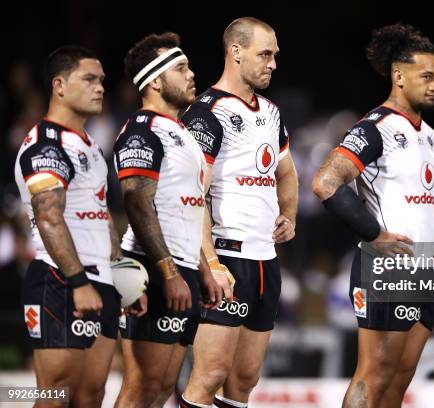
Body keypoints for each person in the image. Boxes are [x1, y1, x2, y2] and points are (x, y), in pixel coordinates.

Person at [312, 23, 434, 408]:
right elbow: (325, 182)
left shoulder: (429, 135)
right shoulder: (376, 127)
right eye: (427, 77)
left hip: (426, 270)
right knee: (375, 372)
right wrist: (376, 235)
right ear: (398, 77)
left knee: (401, 378)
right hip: (388, 266)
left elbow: (429, 200)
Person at [179, 17, 298, 408]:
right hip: (227, 258)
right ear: (235, 52)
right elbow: (192, 195)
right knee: (209, 376)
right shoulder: (205, 113)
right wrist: (209, 262)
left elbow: (287, 172)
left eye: (275, 55)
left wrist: (290, 216)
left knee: (245, 380)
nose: (273, 64)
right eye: (265, 54)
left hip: (266, 261)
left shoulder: (270, 111)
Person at [15, 46, 137, 407]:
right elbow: (50, 217)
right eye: (89, 79)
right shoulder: (45, 144)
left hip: (102, 282)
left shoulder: (90, 146)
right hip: (60, 279)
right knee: (57, 392)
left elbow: (102, 219)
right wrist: (78, 282)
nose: (100, 87)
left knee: (91, 394)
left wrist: (126, 280)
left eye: (101, 80)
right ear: (59, 86)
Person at [112, 32, 224, 408]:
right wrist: (169, 272)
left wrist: (204, 266)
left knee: (162, 389)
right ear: (155, 81)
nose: (192, 74)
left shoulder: (183, 135)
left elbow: (190, 208)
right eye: (181, 68)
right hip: (151, 269)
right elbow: (137, 202)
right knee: (141, 387)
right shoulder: (142, 131)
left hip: (183, 268)